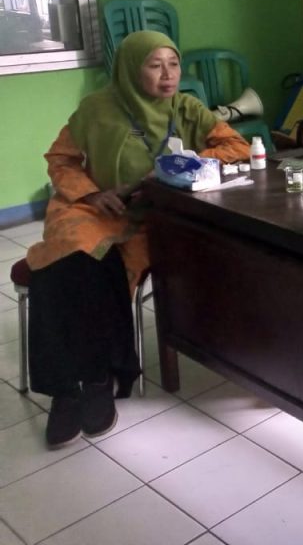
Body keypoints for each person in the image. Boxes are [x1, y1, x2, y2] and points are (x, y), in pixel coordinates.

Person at [26, 30, 250, 447]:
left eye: (174, 64)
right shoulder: (96, 109)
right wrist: (92, 193)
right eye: (154, 65)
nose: (168, 75)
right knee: (63, 267)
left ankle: (99, 378)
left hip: (150, 217)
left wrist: (179, 165)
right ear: (131, 70)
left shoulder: (187, 108)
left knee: (107, 269)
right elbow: (61, 160)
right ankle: (65, 391)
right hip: (91, 208)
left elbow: (236, 147)